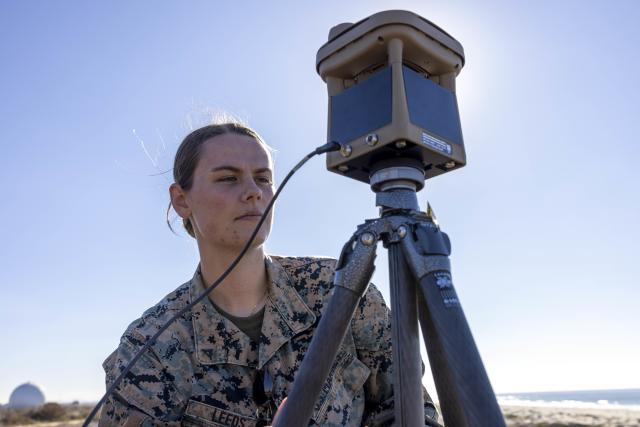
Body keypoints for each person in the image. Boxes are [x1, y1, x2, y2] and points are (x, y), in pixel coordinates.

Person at [99, 121, 439, 426]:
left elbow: (408, 410)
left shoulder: (343, 291)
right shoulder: (150, 347)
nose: (253, 191)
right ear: (181, 200)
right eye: (228, 178)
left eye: (263, 178)